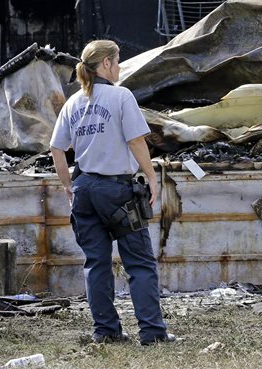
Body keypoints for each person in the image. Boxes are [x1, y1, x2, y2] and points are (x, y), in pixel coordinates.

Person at [49, 39, 174, 345]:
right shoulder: (121, 96)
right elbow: (135, 141)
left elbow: (56, 148)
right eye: (117, 61)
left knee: (96, 263)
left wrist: (68, 185)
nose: (119, 67)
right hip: (117, 191)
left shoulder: (73, 103)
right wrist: (151, 176)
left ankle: (106, 331)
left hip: (84, 190)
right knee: (140, 263)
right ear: (105, 64)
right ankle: (152, 333)